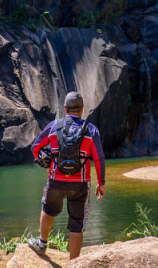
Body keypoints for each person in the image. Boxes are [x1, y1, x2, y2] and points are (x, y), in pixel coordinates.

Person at [29, 91, 106, 260]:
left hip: (56, 179)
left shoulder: (54, 126)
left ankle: (42, 244)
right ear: (82, 108)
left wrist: (47, 166)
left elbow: (35, 148)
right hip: (80, 183)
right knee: (77, 224)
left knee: (48, 209)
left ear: (65, 108)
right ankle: (74, 262)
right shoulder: (91, 130)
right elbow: (99, 158)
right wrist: (101, 182)